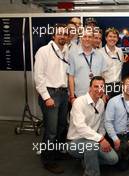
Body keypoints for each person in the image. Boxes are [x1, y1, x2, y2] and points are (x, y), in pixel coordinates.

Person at [34, 24, 69, 174]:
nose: (62, 36)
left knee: (61, 126)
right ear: (53, 36)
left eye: (65, 34)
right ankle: (48, 160)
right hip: (50, 94)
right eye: (59, 34)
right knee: (51, 131)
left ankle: (56, 153)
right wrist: (46, 97)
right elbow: (38, 77)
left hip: (63, 93)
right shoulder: (44, 51)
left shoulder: (67, 51)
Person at [67, 76, 118, 176]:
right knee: (92, 146)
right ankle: (91, 173)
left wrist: (101, 136)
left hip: (94, 139)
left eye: (102, 86)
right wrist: (100, 139)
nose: (99, 89)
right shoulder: (79, 102)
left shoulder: (101, 103)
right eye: (96, 86)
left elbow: (102, 124)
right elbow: (81, 127)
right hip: (75, 142)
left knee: (113, 159)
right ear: (90, 88)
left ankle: (88, 160)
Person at [67, 27, 107, 104]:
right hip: (79, 97)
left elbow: (103, 76)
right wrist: (72, 96)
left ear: (92, 38)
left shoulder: (100, 55)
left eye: (89, 37)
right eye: (85, 36)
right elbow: (71, 77)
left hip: (97, 97)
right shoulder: (73, 55)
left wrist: (104, 94)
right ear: (81, 38)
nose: (87, 39)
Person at [99, 27, 124, 99]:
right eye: (110, 36)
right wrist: (102, 91)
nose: (112, 39)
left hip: (118, 86)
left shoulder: (120, 51)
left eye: (115, 37)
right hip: (106, 86)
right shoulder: (100, 52)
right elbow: (98, 73)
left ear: (117, 39)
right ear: (106, 38)